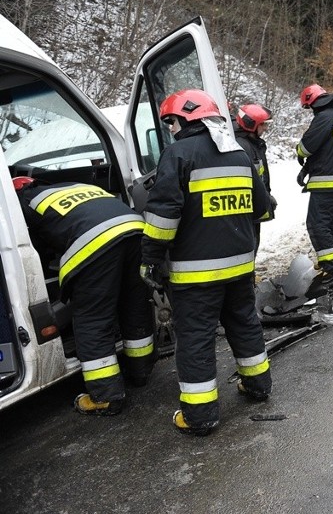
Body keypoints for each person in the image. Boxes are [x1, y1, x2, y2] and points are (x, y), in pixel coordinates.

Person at [141, 89, 272, 436]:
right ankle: (258, 386)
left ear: (185, 119)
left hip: (195, 275)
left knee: (196, 338)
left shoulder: (178, 153)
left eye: (171, 122)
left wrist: (150, 258)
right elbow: (264, 208)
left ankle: (200, 416)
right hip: (241, 267)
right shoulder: (240, 153)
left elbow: (163, 217)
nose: (170, 128)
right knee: (244, 324)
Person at [14, 177, 155, 416]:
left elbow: (33, 245)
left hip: (97, 242)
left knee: (93, 319)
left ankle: (106, 396)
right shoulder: (76, 186)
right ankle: (140, 372)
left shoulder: (25, 202)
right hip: (136, 231)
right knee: (134, 306)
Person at [296, 84, 333, 278]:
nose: (310, 112)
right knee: (328, 224)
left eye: (308, 107)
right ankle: (330, 263)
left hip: (326, 182)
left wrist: (299, 153)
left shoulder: (323, 119)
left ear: (313, 102)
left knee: (317, 224)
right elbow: (326, 151)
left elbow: (306, 147)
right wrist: (307, 169)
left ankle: (331, 267)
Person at [235, 103, 276, 253]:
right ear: (251, 124)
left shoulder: (253, 144)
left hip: (256, 202)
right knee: (249, 243)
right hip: (248, 206)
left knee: (254, 241)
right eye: (262, 124)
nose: (265, 128)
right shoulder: (243, 146)